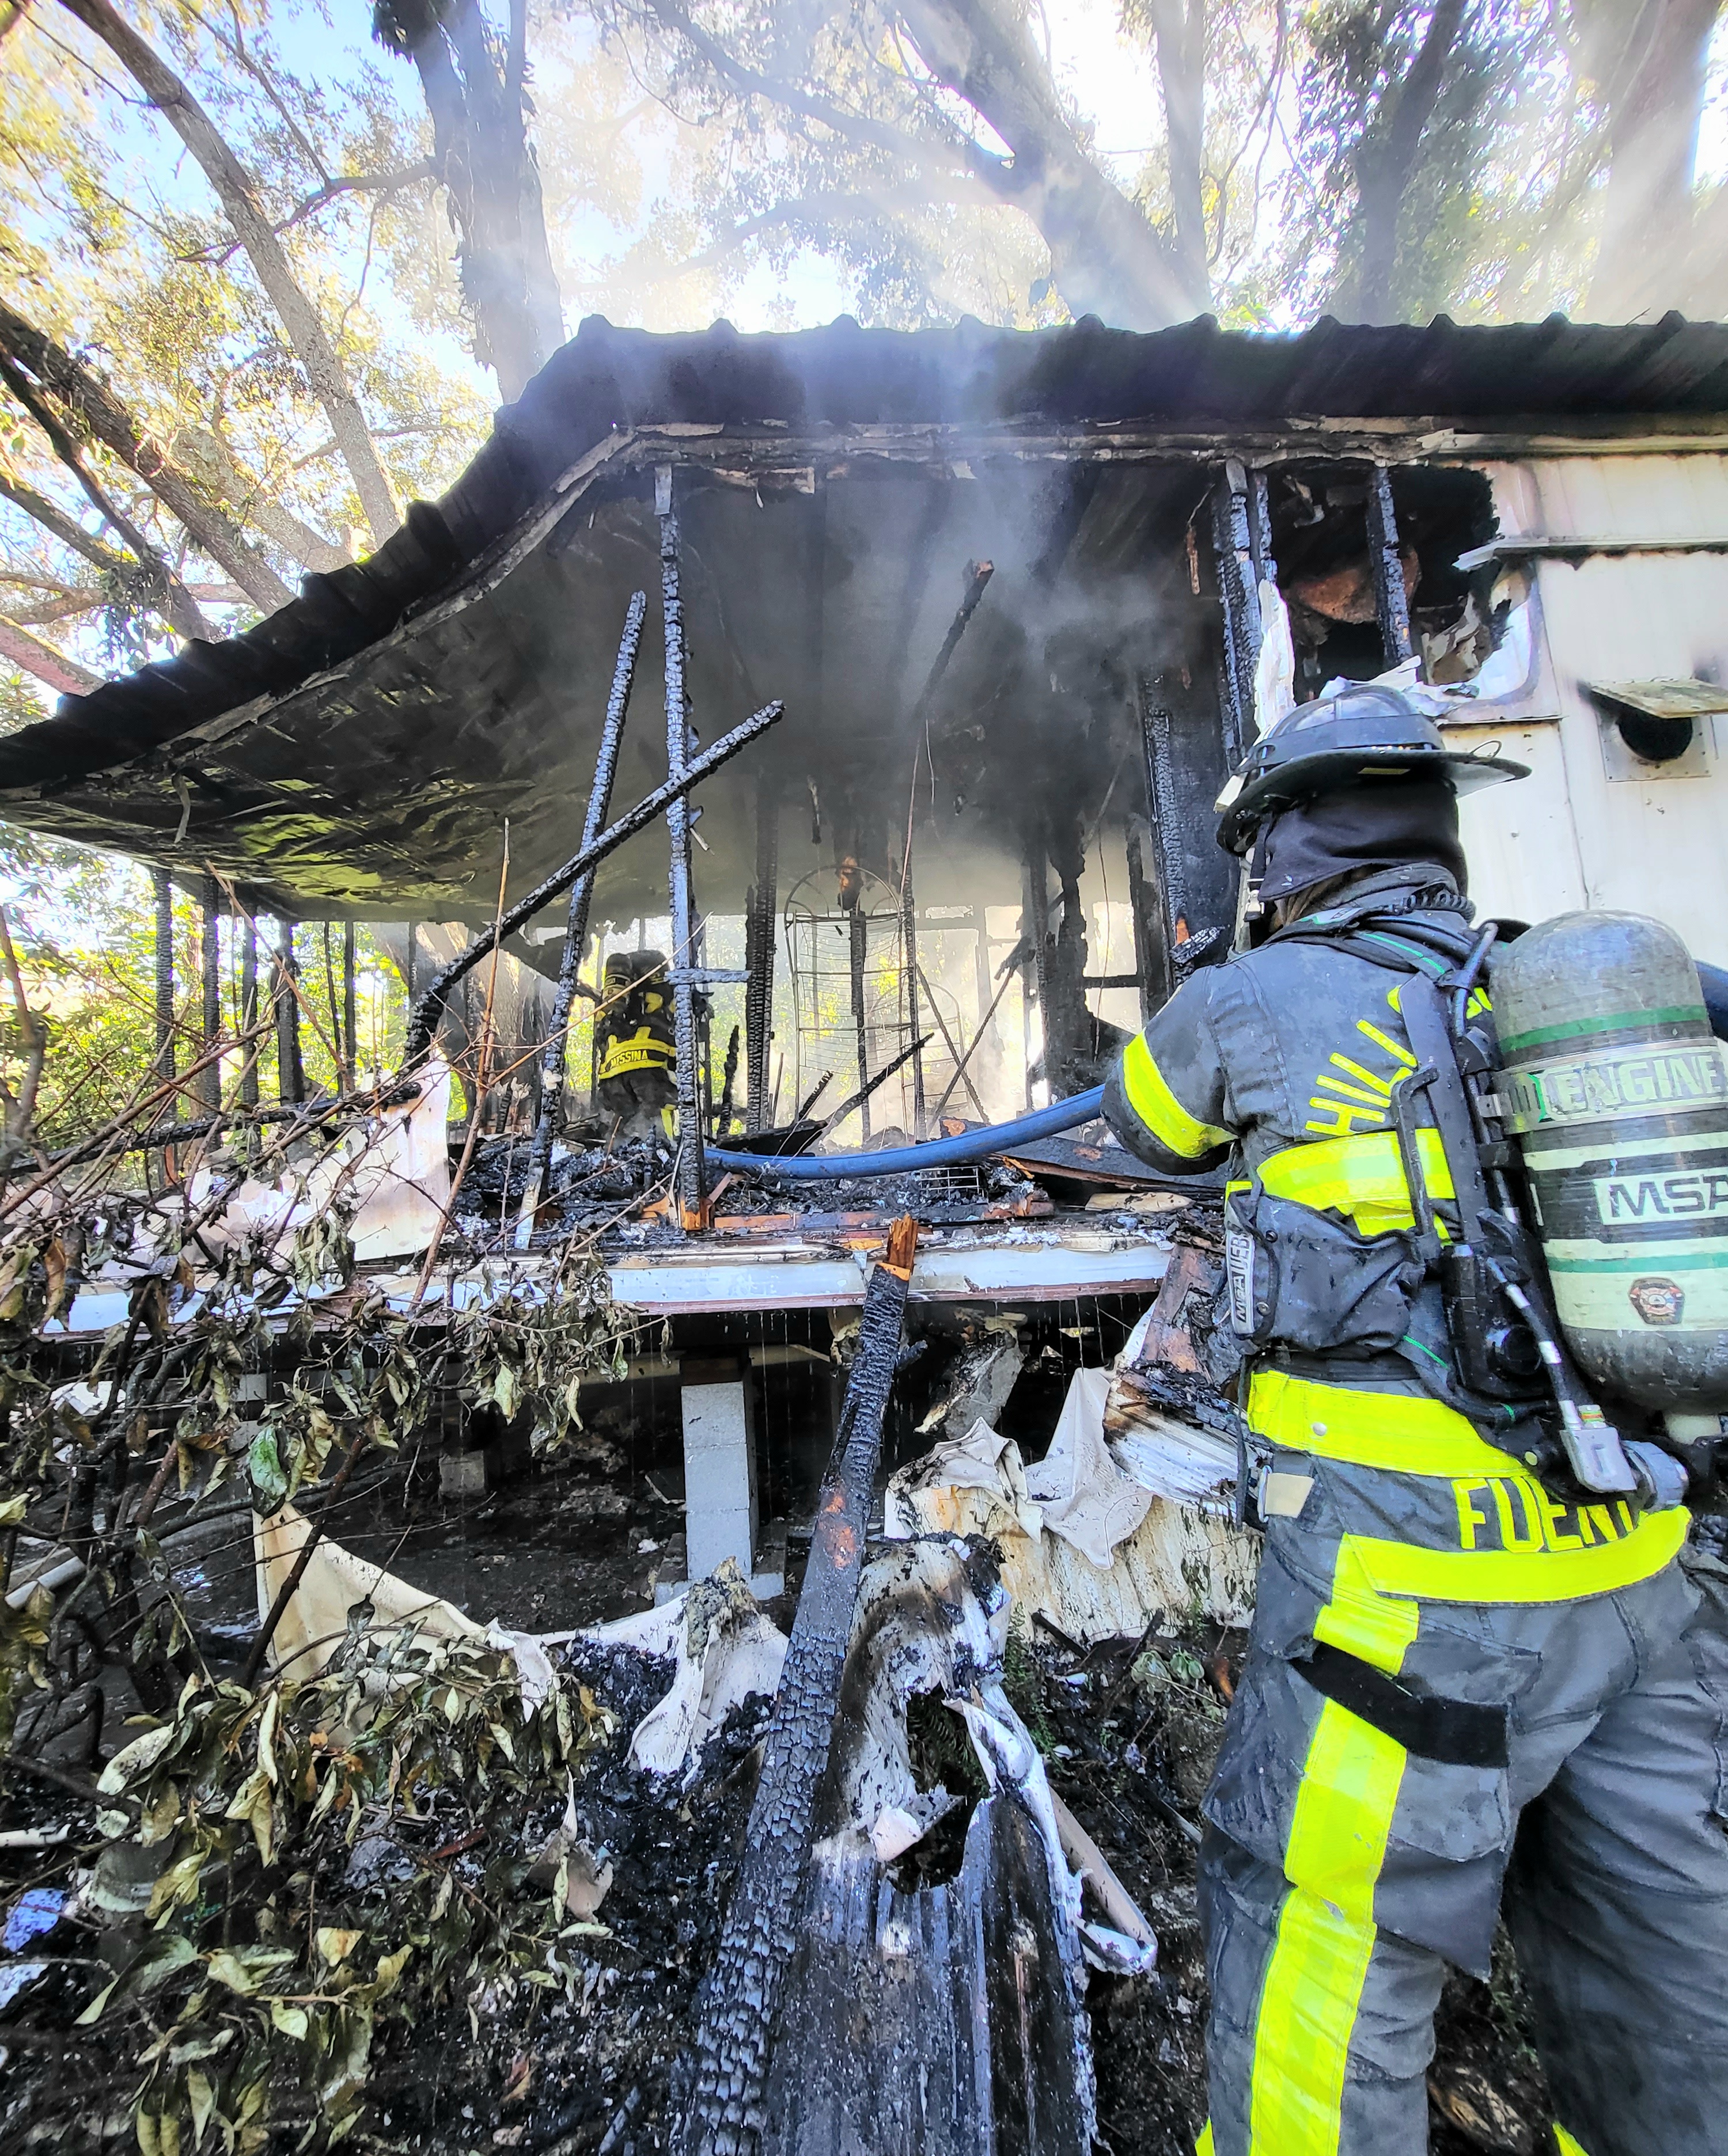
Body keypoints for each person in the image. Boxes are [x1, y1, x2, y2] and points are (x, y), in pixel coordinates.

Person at [1102, 685, 1728, 2156]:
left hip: (1404, 1603)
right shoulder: (1558, 990)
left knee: (1321, 1943)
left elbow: (1142, 1126)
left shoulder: (1249, 1000)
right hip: (1641, 1571)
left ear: (1275, 852)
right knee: (1667, 1965)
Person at [595, 950, 677, 1138]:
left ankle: (612, 1151)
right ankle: (666, 1150)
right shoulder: (668, 992)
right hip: (651, 1068)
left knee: (619, 1131)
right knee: (659, 1132)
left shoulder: (609, 1003)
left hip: (612, 1074)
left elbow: (600, 1036)